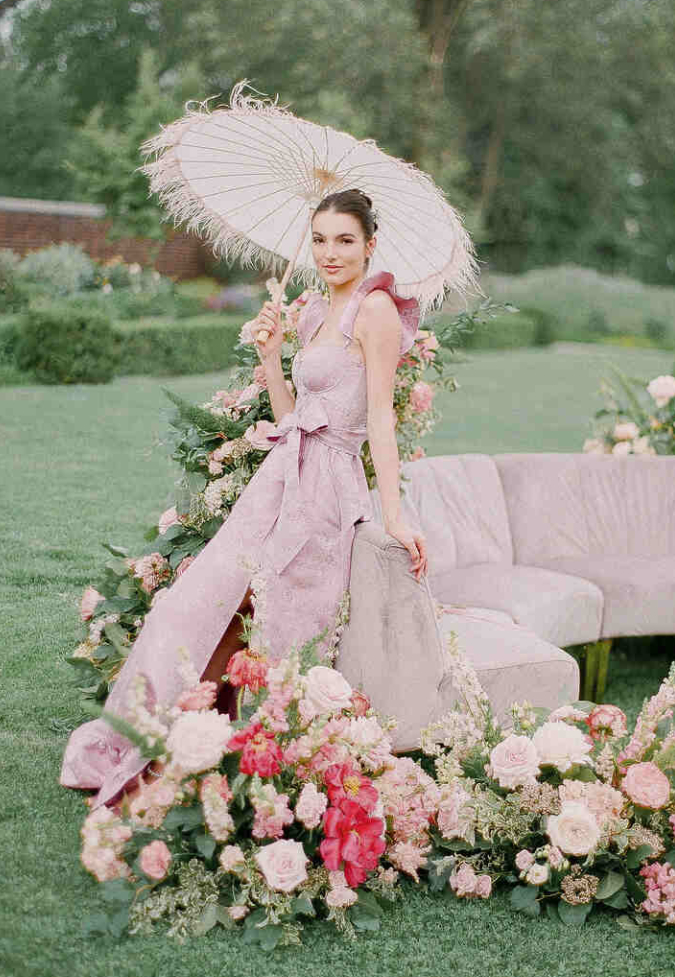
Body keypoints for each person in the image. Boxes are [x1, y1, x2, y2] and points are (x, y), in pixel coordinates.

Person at [60, 188, 428, 805]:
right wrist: (271, 357)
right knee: (197, 608)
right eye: (319, 239)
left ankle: (238, 769)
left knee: (276, 628)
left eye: (344, 240)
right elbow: (293, 413)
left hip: (327, 491)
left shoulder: (376, 312)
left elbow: (380, 421)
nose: (330, 253)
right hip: (282, 475)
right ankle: (165, 746)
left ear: (369, 245)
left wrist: (393, 514)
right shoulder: (313, 311)